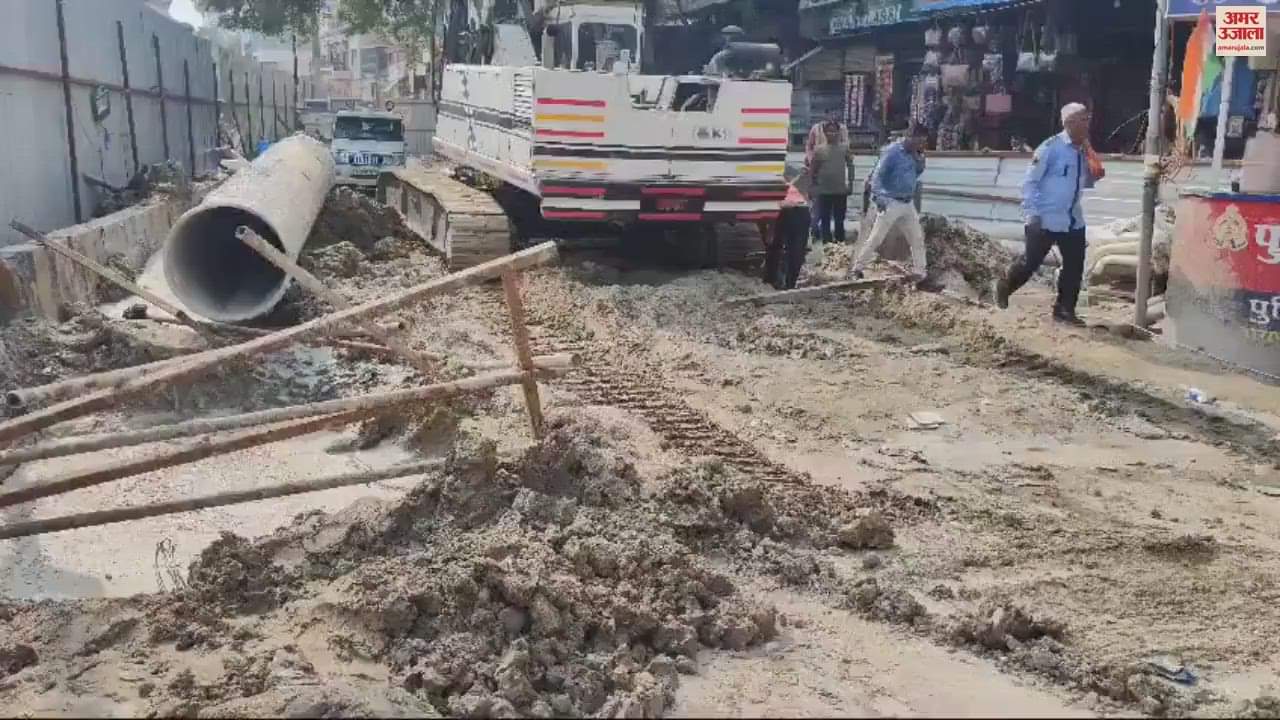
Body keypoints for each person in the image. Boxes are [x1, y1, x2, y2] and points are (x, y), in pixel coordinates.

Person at [996, 103, 1104, 326]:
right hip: (1045, 217)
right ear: (1069, 123)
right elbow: (1029, 182)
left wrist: (1094, 169)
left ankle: (1064, 310)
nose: (1087, 124)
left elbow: (1086, 179)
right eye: (1083, 120)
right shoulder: (1050, 148)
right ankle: (1005, 285)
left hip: (1073, 218)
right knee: (1031, 262)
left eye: (1088, 119)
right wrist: (1032, 214)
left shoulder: (1082, 149)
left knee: (1074, 265)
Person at [850, 124, 929, 282]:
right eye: (918, 141)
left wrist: (919, 159)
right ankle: (857, 269)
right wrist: (879, 199)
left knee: (917, 238)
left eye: (922, 142)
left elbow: (918, 172)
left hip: (907, 202)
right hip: (891, 201)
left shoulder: (915, 153)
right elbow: (878, 177)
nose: (920, 144)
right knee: (877, 237)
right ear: (909, 136)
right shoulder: (892, 152)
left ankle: (920, 273)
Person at [810, 120, 854, 244]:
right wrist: (812, 187)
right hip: (824, 191)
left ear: (838, 132)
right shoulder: (819, 150)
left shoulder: (844, 148)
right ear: (824, 132)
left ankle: (840, 244)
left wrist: (850, 183)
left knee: (840, 220)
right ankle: (827, 246)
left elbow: (851, 166)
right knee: (825, 220)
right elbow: (813, 170)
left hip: (840, 190)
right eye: (829, 131)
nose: (831, 134)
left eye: (834, 131)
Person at [762, 179, 811, 290]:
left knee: (775, 246)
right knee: (796, 250)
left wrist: (769, 232)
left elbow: (771, 210)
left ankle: (770, 280)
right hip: (802, 209)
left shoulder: (768, 183)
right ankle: (790, 284)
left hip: (784, 210)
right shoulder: (789, 180)